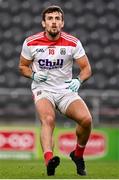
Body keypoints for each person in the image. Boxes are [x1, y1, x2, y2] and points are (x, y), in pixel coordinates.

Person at [19, 5, 92, 176]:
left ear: (62, 23)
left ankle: (78, 155)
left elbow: (86, 68)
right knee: (48, 119)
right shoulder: (31, 42)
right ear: (43, 23)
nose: (54, 22)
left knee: (87, 120)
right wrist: (33, 75)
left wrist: (79, 80)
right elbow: (22, 66)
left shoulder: (73, 42)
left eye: (57, 18)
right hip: (43, 88)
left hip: (66, 90)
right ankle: (49, 159)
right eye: (50, 19)